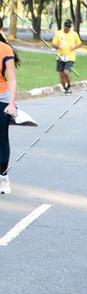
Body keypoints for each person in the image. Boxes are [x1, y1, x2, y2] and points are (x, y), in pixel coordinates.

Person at [0, 20, 19, 195]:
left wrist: (12, 103)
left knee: (2, 137)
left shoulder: (5, 49)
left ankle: (3, 177)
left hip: (2, 98)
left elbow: (12, 79)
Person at [51, 19, 82, 94]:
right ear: (63, 26)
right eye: (65, 28)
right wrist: (58, 46)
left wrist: (74, 47)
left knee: (66, 72)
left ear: (70, 28)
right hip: (60, 56)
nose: (66, 29)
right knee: (61, 74)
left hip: (70, 57)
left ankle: (69, 85)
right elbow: (53, 44)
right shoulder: (58, 33)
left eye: (68, 28)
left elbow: (80, 44)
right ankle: (65, 88)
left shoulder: (74, 34)